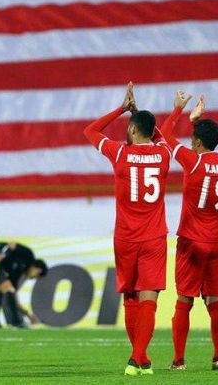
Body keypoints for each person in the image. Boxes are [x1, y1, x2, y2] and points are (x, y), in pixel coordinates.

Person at [83, 82, 171, 376]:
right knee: (149, 298)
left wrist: (122, 109)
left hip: (125, 238)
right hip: (154, 237)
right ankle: (139, 358)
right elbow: (160, 137)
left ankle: (139, 359)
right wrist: (141, 116)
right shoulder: (164, 155)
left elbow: (90, 131)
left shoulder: (120, 153)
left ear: (132, 130)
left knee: (131, 297)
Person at [161, 92, 218, 371]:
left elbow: (166, 135)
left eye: (193, 139)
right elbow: (206, 145)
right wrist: (197, 122)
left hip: (192, 242)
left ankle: (179, 360)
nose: (190, 142)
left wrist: (178, 110)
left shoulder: (193, 161)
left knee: (184, 301)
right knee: (215, 302)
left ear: (198, 142)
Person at [0, 242, 47, 328]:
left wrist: (27, 314)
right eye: (36, 276)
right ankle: (16, 322)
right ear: (38, 270)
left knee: (1, 290)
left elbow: (13, 296)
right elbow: (11, 244)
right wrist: (2, 255)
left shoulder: (17, 273)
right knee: (6, 288)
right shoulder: (28, 255)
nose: (33, 278)